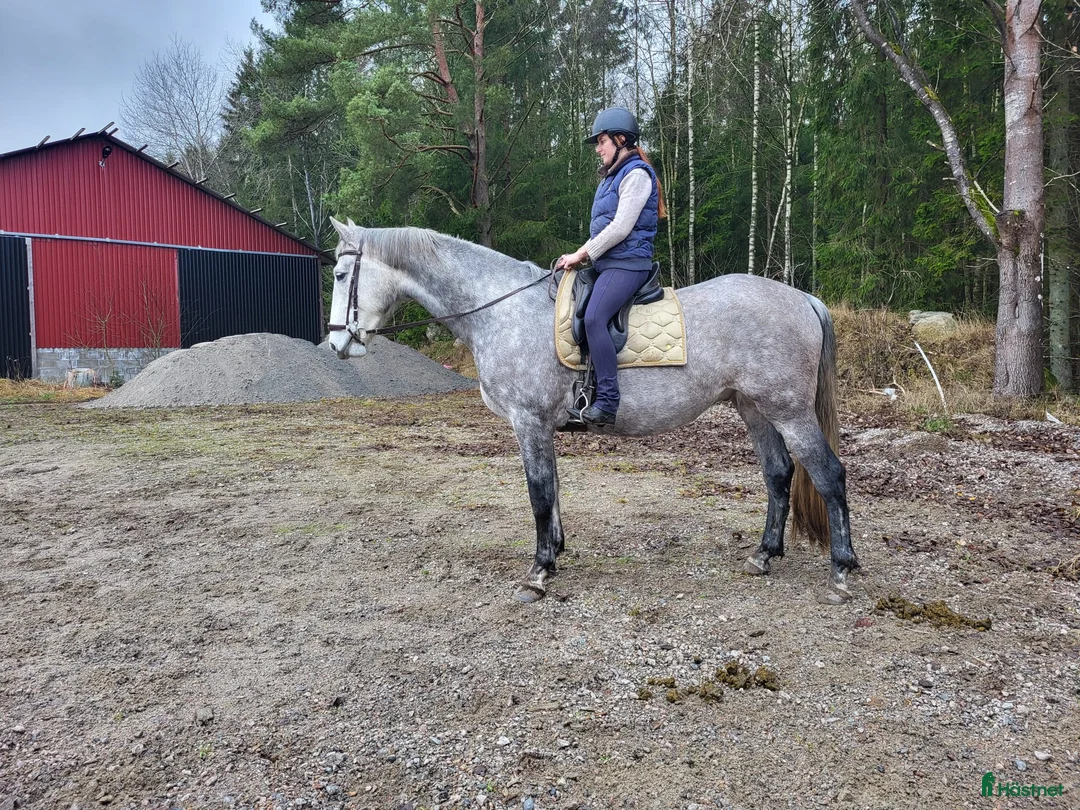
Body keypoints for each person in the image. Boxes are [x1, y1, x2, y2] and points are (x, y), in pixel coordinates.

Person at [556, 107, 666, 426]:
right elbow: (604, 229)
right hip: (610, 263)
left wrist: (581, 254)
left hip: (629, 264)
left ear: (621, 140)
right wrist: (583, 254)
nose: (598, 148)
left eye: (602, 141)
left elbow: (620, 228)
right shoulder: (611, 177)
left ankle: (606, 402)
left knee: (594, 317)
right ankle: (582, 390)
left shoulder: (637, 175)